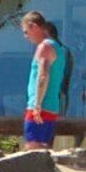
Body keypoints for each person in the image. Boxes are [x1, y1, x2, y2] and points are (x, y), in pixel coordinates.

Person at [16, 8, 68, 149]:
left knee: (32, 149)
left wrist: (36, 105)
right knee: (44, 148)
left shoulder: (44, 47)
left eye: (26, 32)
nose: (26, 37)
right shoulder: (58, 48)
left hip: (40, 107)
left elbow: (43, 75)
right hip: (51, 107)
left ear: (34, 26)